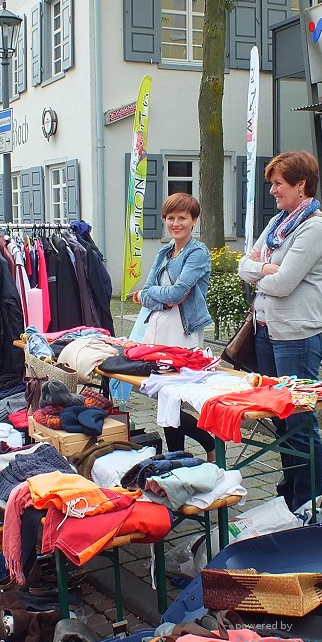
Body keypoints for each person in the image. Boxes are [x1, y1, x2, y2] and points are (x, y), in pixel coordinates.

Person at [238, 151, 322, 513]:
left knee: (300, 420)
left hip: (297, 335)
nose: (273, 191)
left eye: (278, 184)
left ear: (301, 184)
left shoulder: (314, 226)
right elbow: (244, 265)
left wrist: (264, 269)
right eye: (272, 183)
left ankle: (308, 503)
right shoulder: (281, 222)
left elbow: (284, 284)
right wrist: (266, 268)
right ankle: (289, 493)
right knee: (280, 418)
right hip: (267, 331)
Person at [131, 193, 215, 460]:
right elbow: (147, 292)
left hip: (183, 329)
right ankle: (181, 456)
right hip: (157, 326)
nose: (175, 223)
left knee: (172, 398)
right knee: (163, 397)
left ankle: (200, 447)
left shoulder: (198, 252)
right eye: (171, 218)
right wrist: (157, 297)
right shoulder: (165, 251)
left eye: (182, 218)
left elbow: (178, 293)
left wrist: (153, 296)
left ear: (193, 221)